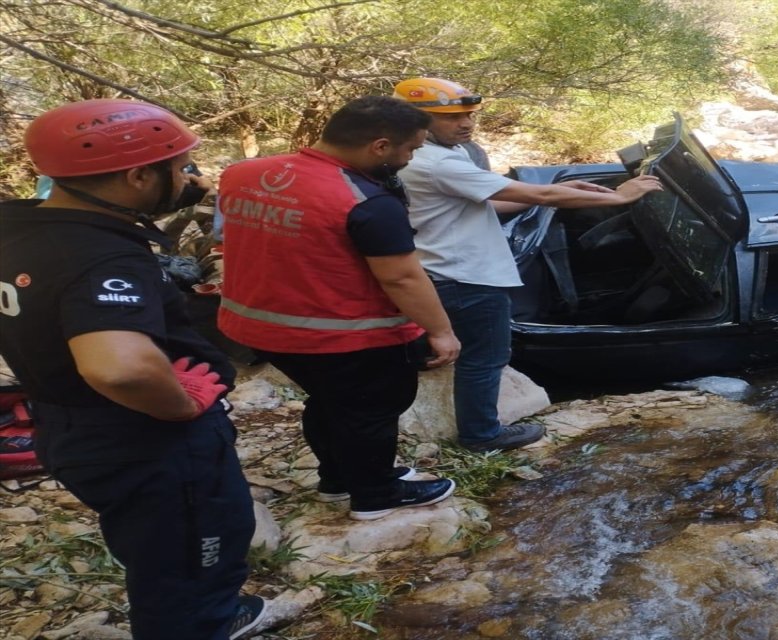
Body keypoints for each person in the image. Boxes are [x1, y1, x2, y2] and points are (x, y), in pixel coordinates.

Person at [0, 99, 265, 639]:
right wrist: (181, 402)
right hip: (143, 437)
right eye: (182, 166)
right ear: (138, 175)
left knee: (156, 544)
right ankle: (200, 625)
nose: (192, 176)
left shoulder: (22, 228)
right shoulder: (101, 255)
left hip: (70, 422)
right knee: (193, 551)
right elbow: (119, 368)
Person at [216, 96, 462, 521]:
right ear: (380, 147)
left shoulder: (245, 174)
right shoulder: (366, 201)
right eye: (411, 149)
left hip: (257, 325)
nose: (410, 158)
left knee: (330, 402)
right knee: (372, 409)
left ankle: (337, 479)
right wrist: (441, 331)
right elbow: (401, 277)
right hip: (343, 332)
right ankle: (375, 494)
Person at [392, 77, 664, 453]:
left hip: (443, 267)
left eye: (469, 114)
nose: (467, 124)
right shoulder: (437, 162)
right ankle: (482, 435)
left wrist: (558, 197)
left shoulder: (428, 157)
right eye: (451, 117)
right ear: (414, 121)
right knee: (485, 358)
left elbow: (489, 202)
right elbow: (537, 191)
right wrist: (619, 197)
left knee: (470, 353)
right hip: (464, 274)